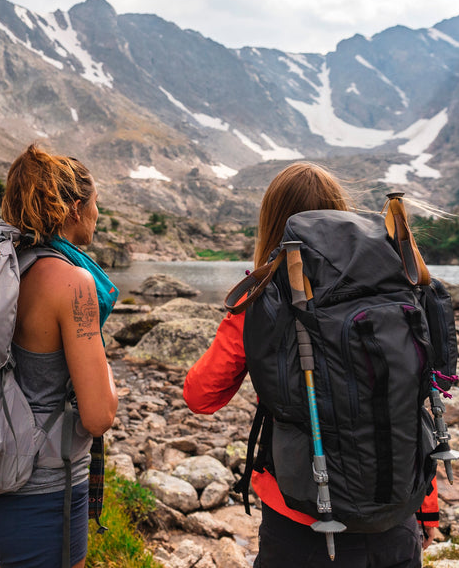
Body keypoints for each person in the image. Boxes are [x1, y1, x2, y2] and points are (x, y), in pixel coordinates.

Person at [183, 162, 439, 568]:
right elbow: (409, 402)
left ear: (272, 223)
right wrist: (426, 506)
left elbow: (201, 395)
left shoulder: (264, 297)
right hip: (397, 514)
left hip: (301, 523)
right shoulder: (395, 286)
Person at [0, 143, 119, 568]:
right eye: (94, 206)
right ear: (73, 208)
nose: (96, 216)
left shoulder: (3, 265)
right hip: (45, 491)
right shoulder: (71, 282)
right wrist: (107, 374)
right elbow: (98, 416)